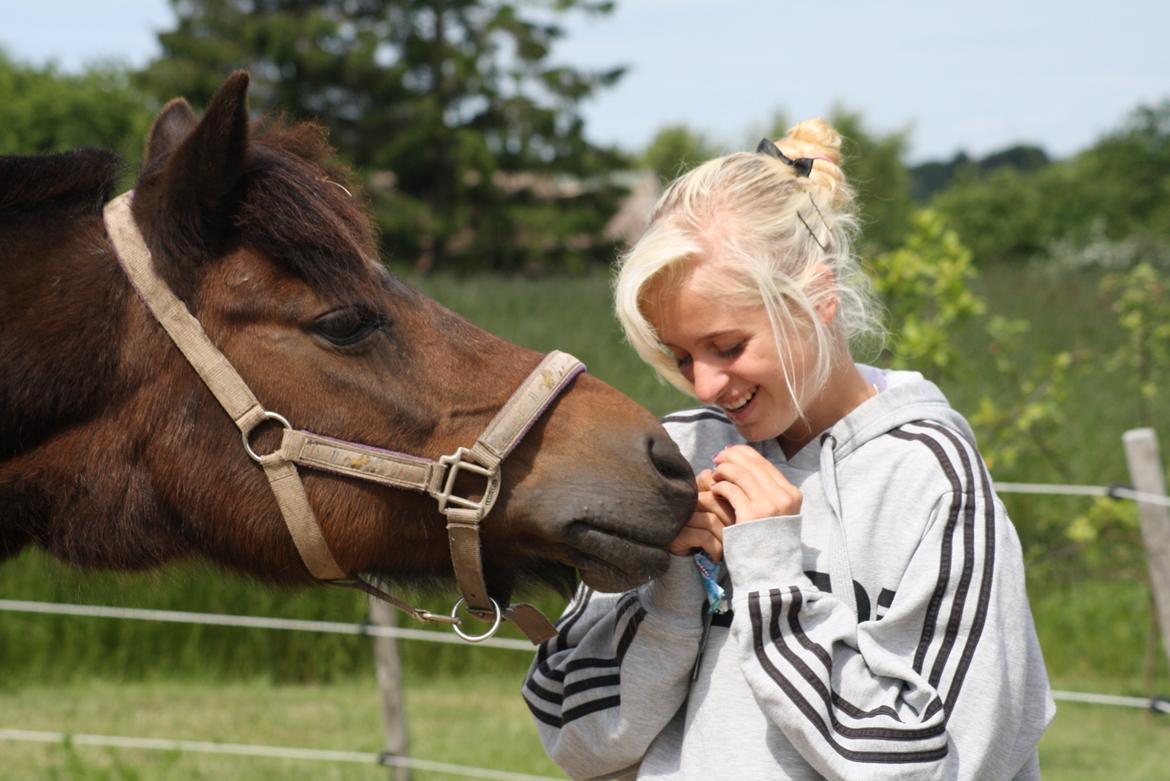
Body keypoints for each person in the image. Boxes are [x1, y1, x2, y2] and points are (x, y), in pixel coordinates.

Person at [522, 119, 1054, 780]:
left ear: (818, 298)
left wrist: (772, 573)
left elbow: (939, 761)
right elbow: (574, 733)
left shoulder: (929, 477)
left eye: (727, 346)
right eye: (682, 357)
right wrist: (678, 587)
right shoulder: (682, 453)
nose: (707, 384)